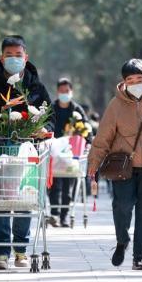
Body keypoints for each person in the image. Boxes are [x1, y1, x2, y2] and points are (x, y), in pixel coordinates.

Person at [0, 35, 54, 270]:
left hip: (28, 156)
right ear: (1, 57)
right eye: (9, 55)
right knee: (1, 202)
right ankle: (1, 253)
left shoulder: (36, 87)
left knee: (25, 200)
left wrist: (43, 129)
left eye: (18, 55)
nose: (14, 59)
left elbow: (50, 117)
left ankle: (21, 249)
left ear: (26, 58)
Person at [87, 59, 142, 270]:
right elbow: (103, 138)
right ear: (124, 81)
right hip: (123, 166)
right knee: (122, 206)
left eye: (139, 78)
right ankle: (122, 241)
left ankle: (139, 257)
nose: (135, 82)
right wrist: (94, 162)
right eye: (131, 79)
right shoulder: (115, 105)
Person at [48, 78, 89, 228]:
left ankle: (65, 217)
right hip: (54, 152)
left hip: (71, 154)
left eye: (67, 91)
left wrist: (88, 143)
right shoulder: (51, 108)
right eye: (61, 91)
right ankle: (54, 214)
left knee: (68, 186)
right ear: (57, 92)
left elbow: (86, 127)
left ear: (71, 92)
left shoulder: (76, 109)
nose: (64, 94)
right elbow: (46, 125)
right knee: (53, 185)